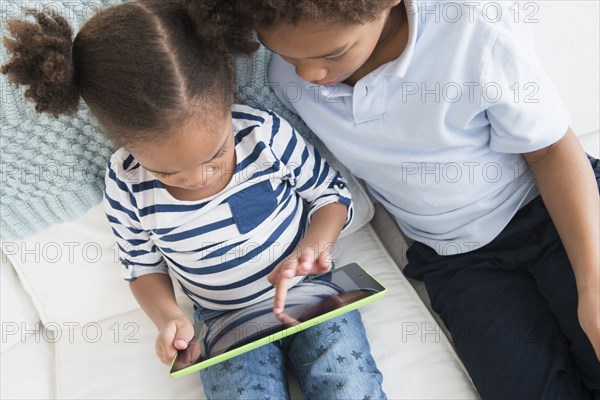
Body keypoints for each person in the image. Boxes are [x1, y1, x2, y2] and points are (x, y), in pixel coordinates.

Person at [210, 0, 600, 398]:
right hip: (459, 260)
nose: (307, 73)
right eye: (286, 54)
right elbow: (328, 181)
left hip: (553, 213)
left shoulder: (473, 29)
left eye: (333, 53)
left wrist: (592, 287)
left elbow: (551, 150)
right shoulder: (277, 77)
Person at [0, 1, 387, 399]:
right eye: (168, 172)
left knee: (351, 386)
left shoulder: (262, 135)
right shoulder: (126, 182)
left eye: (216, 155)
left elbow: (331, 195)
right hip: (223, 318)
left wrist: (314, 248)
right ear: (124, 143)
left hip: (312, 291)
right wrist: (167, 317)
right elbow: (140, 266)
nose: (200, 179)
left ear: (227, 97)